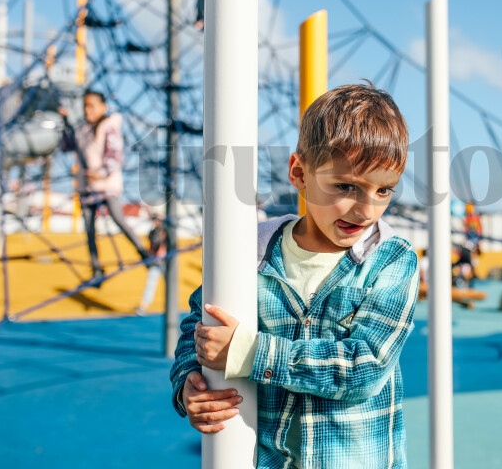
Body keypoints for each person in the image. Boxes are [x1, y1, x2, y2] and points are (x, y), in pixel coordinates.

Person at [169, 83, 419, 468]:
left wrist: (250, 353)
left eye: (384, 190)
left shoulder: (390, 260)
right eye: (346, 186)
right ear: (299, 173)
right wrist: (190, 383)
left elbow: (365, 367)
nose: (366, 209)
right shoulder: (250, 251)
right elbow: (199, 326)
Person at [59, 90, 154, 283]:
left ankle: (144, 253)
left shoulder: (108, 126)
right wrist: (65, 123)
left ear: (103, 107)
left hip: (106, 183)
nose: (88, 110)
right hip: (87, 186)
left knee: (118, 218)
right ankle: (96, 269)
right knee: (89, 229)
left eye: (92, 105)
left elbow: (115, 155)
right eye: (85, 105)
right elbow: (68, 145)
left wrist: (101, 172)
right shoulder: (82, 129)